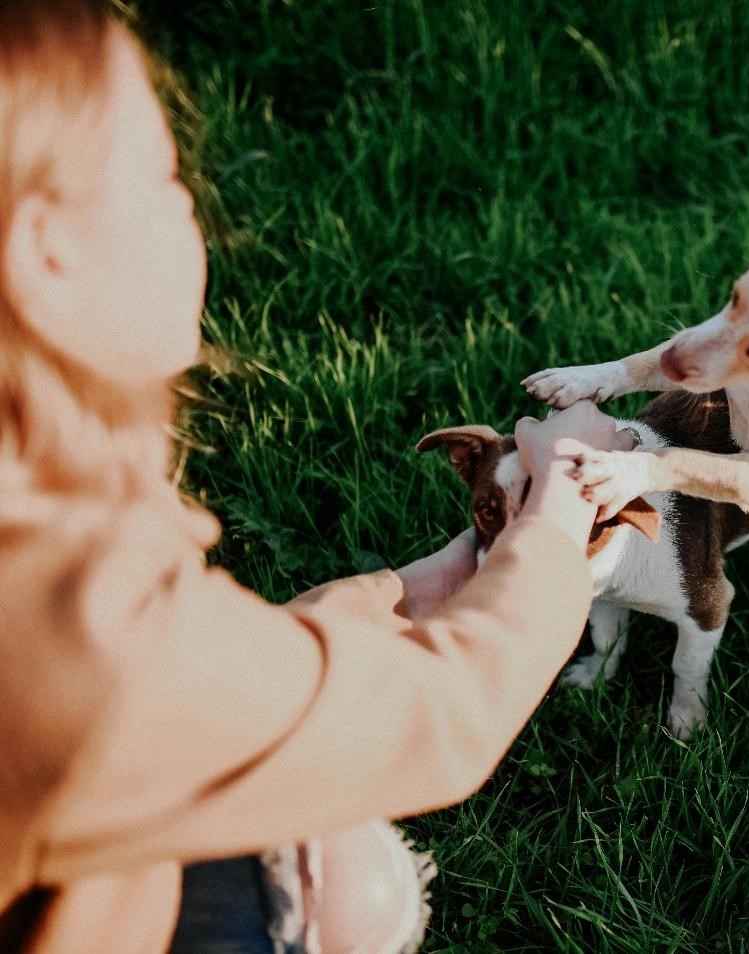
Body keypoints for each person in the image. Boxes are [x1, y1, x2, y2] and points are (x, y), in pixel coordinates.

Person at [0, 1, 615, 950]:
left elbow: (190, 690)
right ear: (47, 252)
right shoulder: (63, 629)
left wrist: (406, 593)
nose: (192, 205)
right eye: (165, 177)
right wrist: (560, 526)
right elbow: (443, 722)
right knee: (355, 886)